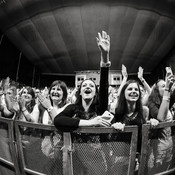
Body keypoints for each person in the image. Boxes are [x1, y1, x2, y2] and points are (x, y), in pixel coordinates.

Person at [38, 31, 112, 175]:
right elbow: (58, 120)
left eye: (91, 85)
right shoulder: (72, 108)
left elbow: (104, 85)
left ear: (95, 92)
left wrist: (105, 57)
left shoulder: (100, 108)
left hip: (97, 161)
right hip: (77, 160)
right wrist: (90, 123)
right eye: (84, 85)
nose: (88, 87)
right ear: (80, 92)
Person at [147, 67, 175, 174]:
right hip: (158, 147)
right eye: (163, 86)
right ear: (157, 90)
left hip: (170, 144)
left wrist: (171, 81)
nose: (166, 87)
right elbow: (161, 118)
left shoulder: (169, 99)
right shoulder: (152, 103)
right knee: (158, 171)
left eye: (166, 85)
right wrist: (167, 89)